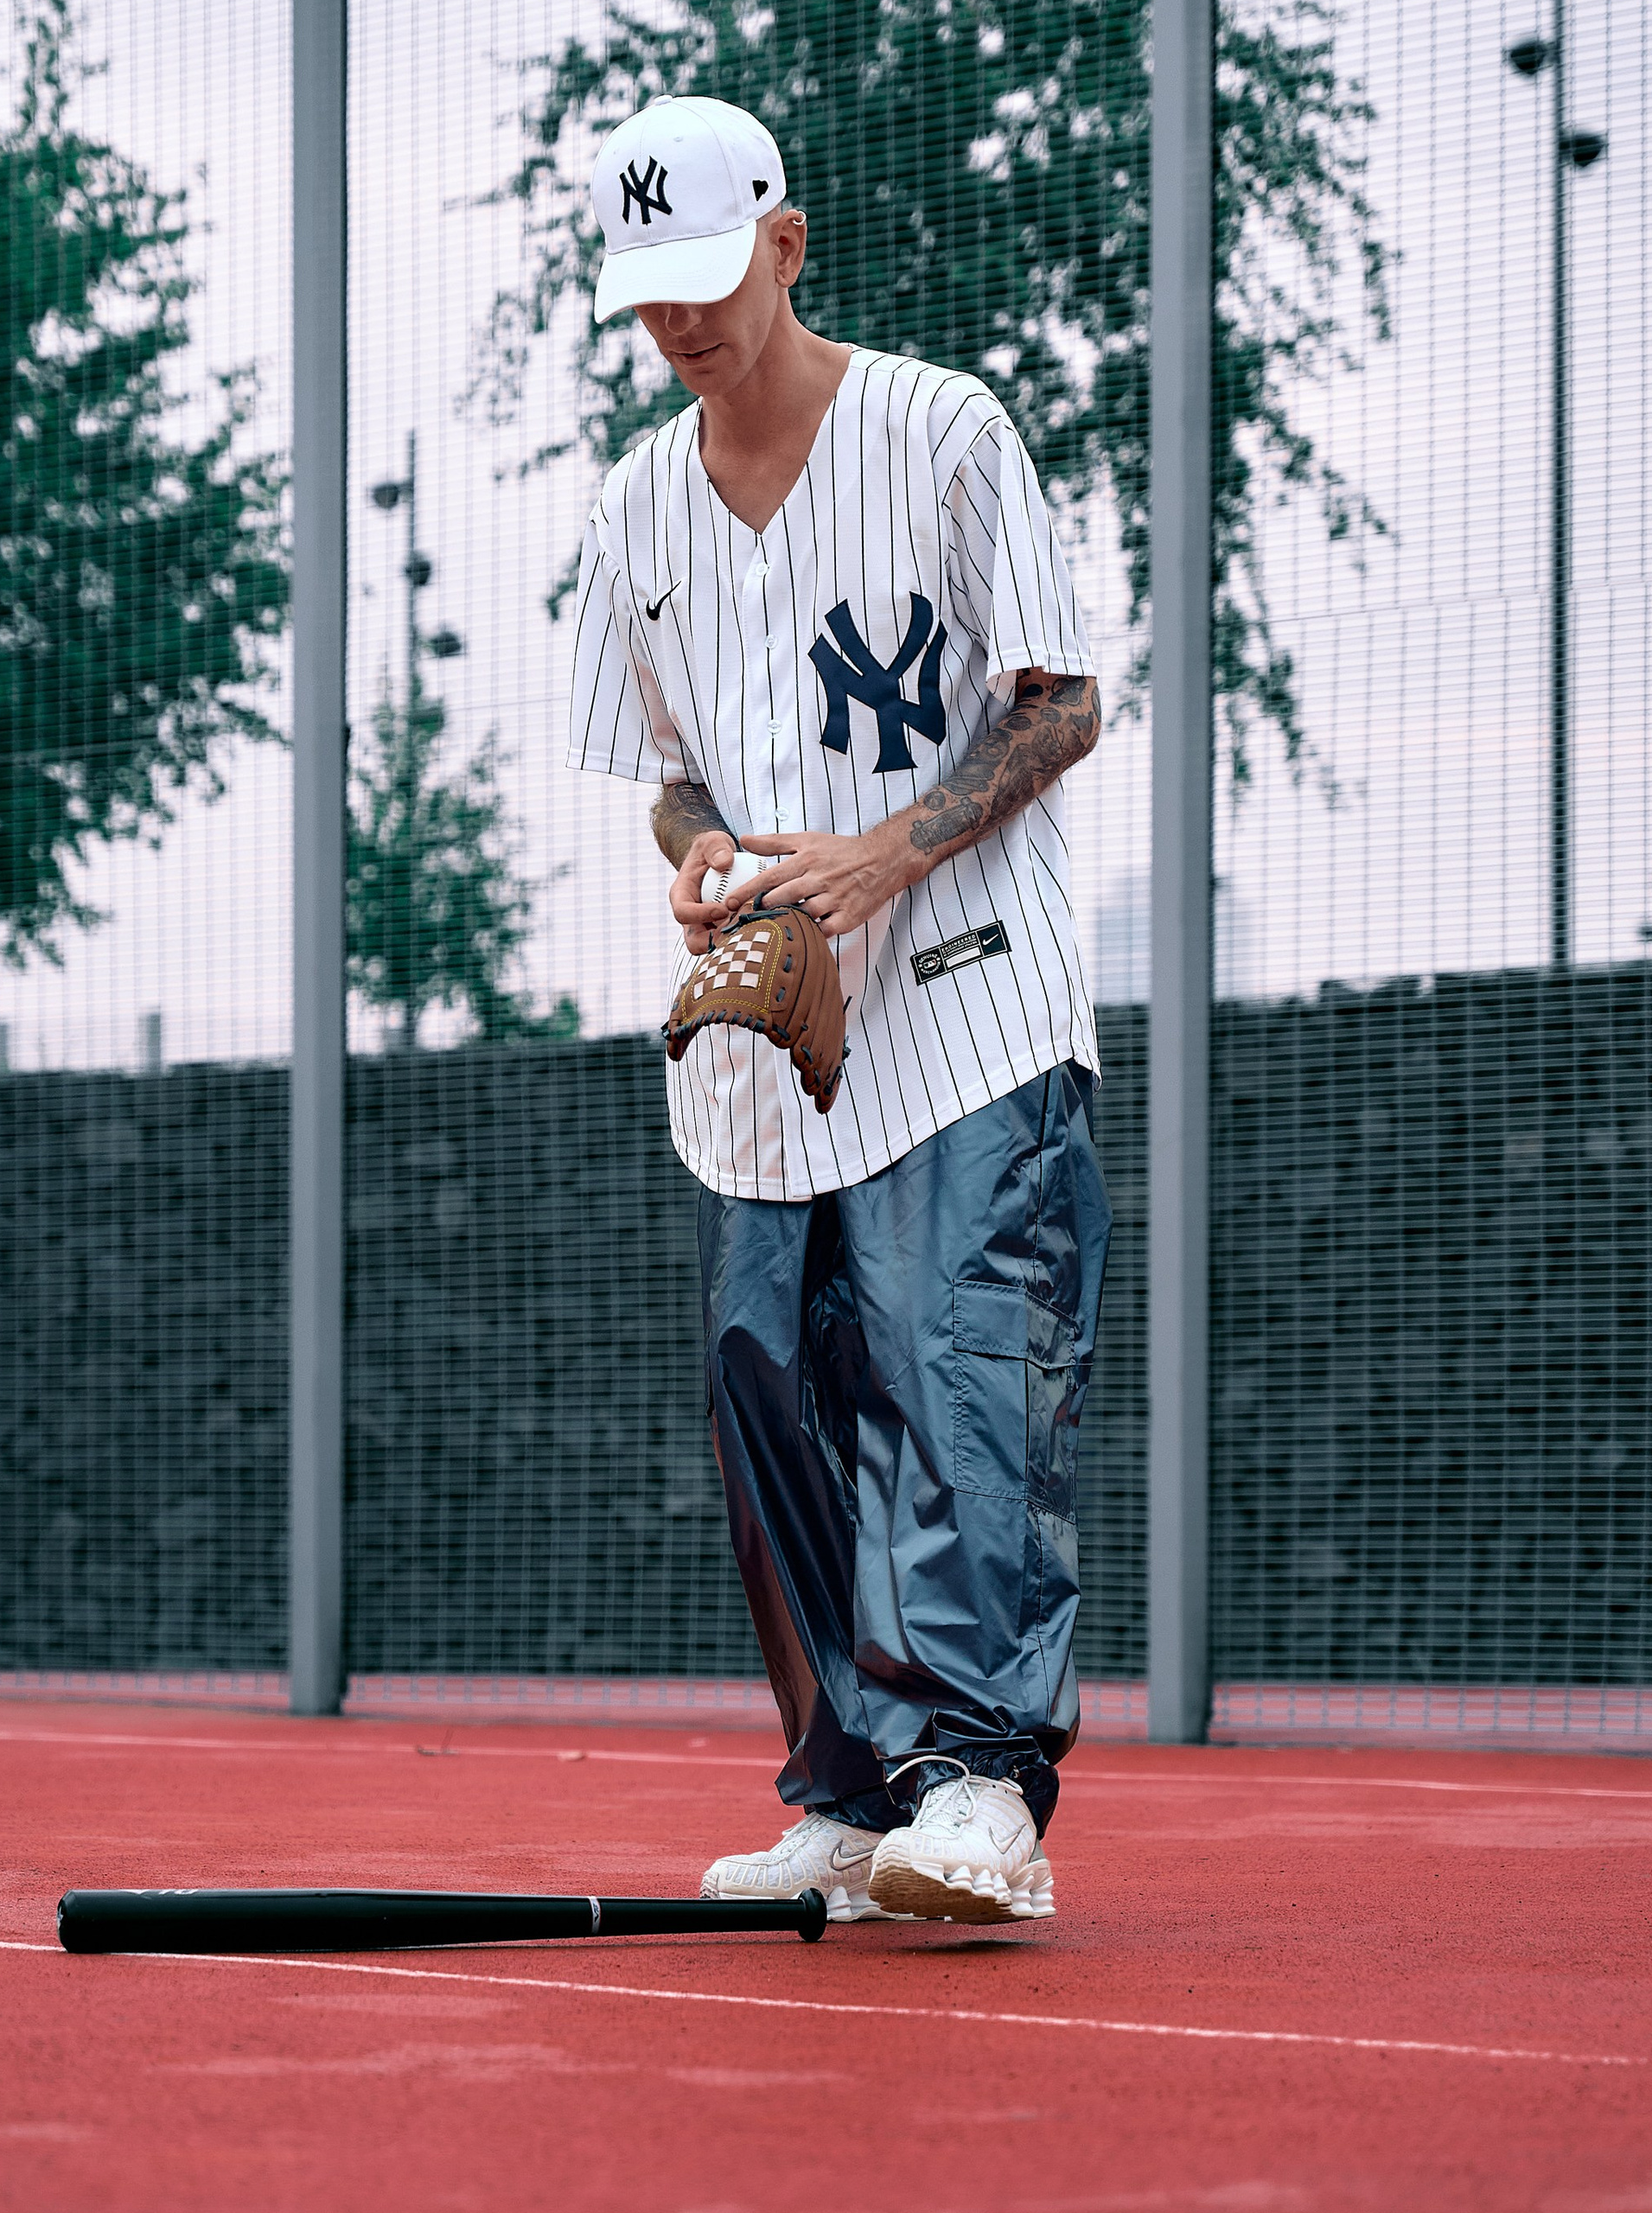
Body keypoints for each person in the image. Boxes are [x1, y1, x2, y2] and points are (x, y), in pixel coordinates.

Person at [566, 94, 1112, 1925]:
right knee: (770, 1388)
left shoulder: (940, 432)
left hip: (964, 1005)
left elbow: (1056, 704)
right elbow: (660, 771)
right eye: (646, 293)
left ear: (784, 246)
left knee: (955, 1372)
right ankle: (848, 1787)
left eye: (708, 279)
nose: (680, 323)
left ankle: (975, 1791)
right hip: (768, 1042)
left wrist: (884, 855)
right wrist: (705, 848)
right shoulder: (634, 503)